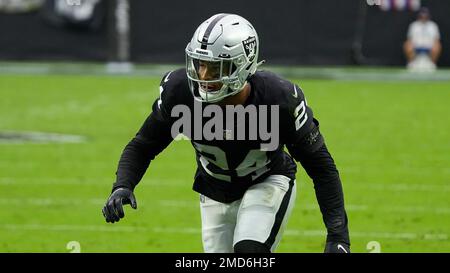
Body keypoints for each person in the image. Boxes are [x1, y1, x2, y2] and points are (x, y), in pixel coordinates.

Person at [102, 13, 350, 253]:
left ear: (242, 66)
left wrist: (338, 236)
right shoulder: (180, 94)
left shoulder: (279, 100)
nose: (202, 76)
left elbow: (321, 167)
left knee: (249, 250)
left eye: (214, 68)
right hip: (214, 190)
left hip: (266, 180)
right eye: (200, 64)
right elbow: (143, 145)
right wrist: (123, 185)